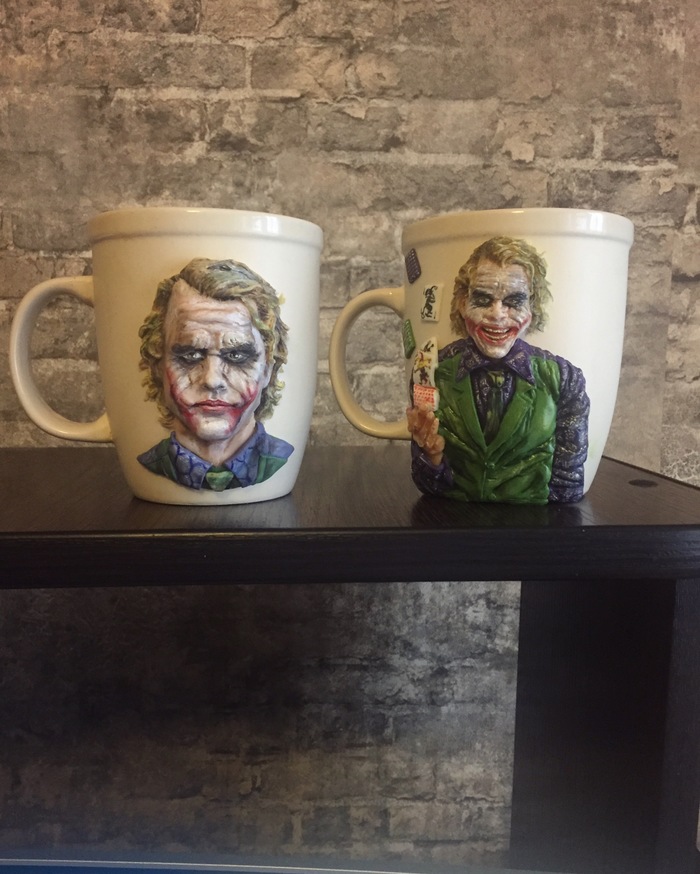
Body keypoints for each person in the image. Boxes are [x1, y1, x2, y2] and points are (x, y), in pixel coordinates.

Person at [407, 236, 589, 504]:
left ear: (532, 308)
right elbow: (426, 482)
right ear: (462, 304)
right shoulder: (432, 371)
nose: (497, 314)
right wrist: (432, 457)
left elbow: (567, 486)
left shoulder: (564, 379)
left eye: (514, 302)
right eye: (483, 300)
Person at [137, 258, 293, 491]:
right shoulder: (149, 465)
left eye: (236, 356)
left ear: (267, 370)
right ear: (158, 365)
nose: (212, 380)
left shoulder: (280, 459)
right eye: (190, 355)